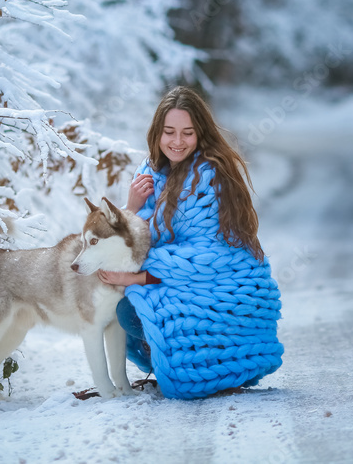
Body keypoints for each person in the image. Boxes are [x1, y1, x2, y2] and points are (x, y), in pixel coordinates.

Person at [98, 86, 283, 399]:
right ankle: (181, 357)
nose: (177, 141)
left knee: (132, 303)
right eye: (169, 131)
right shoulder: (151, 173)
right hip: (184, 282)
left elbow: (205, 259)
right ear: (157, 132)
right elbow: (134, 245)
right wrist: (130, 207)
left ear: (201, 134)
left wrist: (134, 276)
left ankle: (206, 357)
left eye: (187, 132)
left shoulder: (211, 175)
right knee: (116, 299)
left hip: (218, 290)